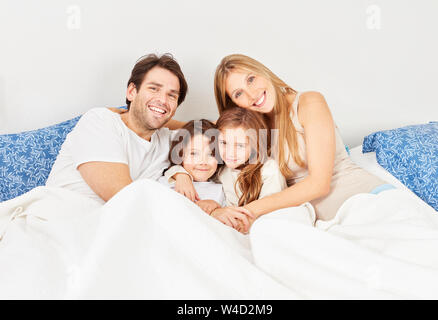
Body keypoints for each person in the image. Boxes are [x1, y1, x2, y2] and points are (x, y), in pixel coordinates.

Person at [213, 54, 391, 224]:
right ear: (234, 105)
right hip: (322, 224)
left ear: (263, 72)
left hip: (364, 200)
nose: (251, 94)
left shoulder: (309, 103)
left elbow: (319, 184)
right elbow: (193, 136)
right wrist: (186, 178)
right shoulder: (250, 130)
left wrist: (247, 212)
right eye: (238, 93)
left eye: (251, 79)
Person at [46, 53, 188, 204]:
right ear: (132, 92)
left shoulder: (167, 141)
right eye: (154, 88)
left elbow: (211, 132)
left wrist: (182, 174)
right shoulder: (100, 121)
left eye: (172, 96)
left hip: (111, 224)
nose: (163, 100)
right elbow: (123, 198)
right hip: (57, 218)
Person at [169, 107, 287, 233]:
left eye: (240, 145)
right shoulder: (222, 167)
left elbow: (270, 213)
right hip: (231, 229)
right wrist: (181, 174)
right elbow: (192, 166)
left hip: (260, 229)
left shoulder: (269, 170)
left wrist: (216, 211)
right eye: (224, 143)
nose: (230, 153)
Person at [160, 119, 226, 214]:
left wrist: (216, 207)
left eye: (211, 154)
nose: (203, 162)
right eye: (194, 153)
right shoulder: (166, 183)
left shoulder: (221, 190)